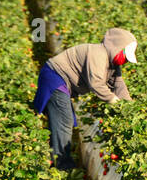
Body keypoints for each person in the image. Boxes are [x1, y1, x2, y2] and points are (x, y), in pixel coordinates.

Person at [34, 28, 137, 170]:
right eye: (125, 56)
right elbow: (96, 83)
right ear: (117, 48)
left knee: (63, 119)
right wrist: (113, 100)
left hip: (62, 81)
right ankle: (62, 165)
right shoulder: (98, 55)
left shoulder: (112, 63)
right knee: (64, 121)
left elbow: (118, 85)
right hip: (55, 77)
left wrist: (129, 106)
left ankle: (56, 157)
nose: (125, 60)